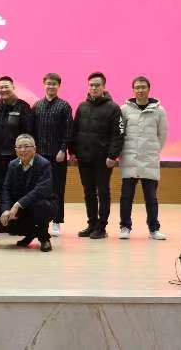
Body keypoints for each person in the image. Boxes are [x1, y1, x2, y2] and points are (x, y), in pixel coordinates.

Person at [69, 72, 124, 240]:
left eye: (97, 85)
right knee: (88, 192)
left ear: (104, 87)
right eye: (91, 85)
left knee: (103, 192)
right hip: (84, 158)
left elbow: (118, 134)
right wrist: (72, 152)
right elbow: (75, 131)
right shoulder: (82, 107)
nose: (94, 88)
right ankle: (92, 224)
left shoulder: (113, 108)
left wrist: (112, 156)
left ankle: (101, 227)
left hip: (103, 160)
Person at [119, 76, 168, 241]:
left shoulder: (159, 111)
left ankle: (154, 229)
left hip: (149, 160)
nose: (140, 90)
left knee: (151, 198)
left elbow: (162, 135)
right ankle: (125, 227)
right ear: (133, 90)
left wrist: (153, 150)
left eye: (143, 87)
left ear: (149, 89)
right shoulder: (124, 109)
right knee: (126, 197)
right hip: (129, 159)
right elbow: (120, 133)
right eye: (137, 87)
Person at [32, 72, 73, 237]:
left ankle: (56, 221)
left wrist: (63, 150)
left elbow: (68, 131)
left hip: (58, 156)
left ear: (58, 86)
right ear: (44, 84)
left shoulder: (64, 106)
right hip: (39, 156)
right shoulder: (37, 106)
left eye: (54, 84)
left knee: (57, 189)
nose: (51, 86)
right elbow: (32, 131)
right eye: (48, 83)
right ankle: (41, 221)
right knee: (39, 189)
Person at [0, 134, 56, 252]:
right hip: (22, 207)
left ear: (34, 149)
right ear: (15, 150)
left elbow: (40, 190)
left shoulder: (44, 164)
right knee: (7, 224)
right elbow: (6, 189)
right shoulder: (13, 164)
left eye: (26, 146)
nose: (22, 150)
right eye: (19, 147)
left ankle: (44, 238)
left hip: (42, 204)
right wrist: (5, 209)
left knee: (41, 207)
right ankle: (31, 234)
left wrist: (17, 204)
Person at [0, 76, 33, 214]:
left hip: (17, 157)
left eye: (6, 87)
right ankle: (2, 219)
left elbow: (28, 133)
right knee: (0, 188)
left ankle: (18, 219)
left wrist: (25, 154)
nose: (4, 90)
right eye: (1, 87)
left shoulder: (23, 106)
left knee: (18, 188)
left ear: (13, 87)